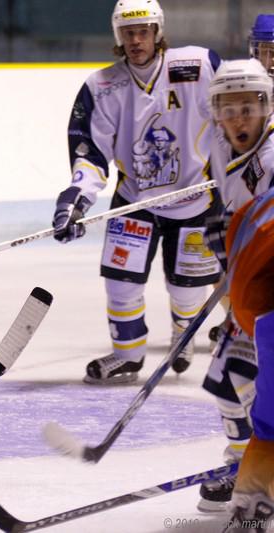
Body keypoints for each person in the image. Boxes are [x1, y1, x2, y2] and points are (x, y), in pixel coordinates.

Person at [52, 0, 222, 384]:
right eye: (128, 32)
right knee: (121, 285)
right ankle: (127, 357)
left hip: (195, 201)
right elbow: (91, 154)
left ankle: (183, 332)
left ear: (157, 32)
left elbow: (236, 106)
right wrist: (76, 200)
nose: (135, 40)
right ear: (118, 35)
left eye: (143, 31)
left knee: (187, 291)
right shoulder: (102, 86)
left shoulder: (198, 66)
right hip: (134, 202)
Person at [199, 58, 273, 513]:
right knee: (227, 379)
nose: (239, 119)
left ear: (267, 106)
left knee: (252, 381)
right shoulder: (220, 146)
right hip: (256, 288)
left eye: (249, 107)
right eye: (229, 109)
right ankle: (241, 464)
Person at [221, 185, 274, 531]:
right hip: (259, 300)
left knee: (269, 424)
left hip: (251, 300)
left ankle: (251, 506)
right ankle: (252, 505)